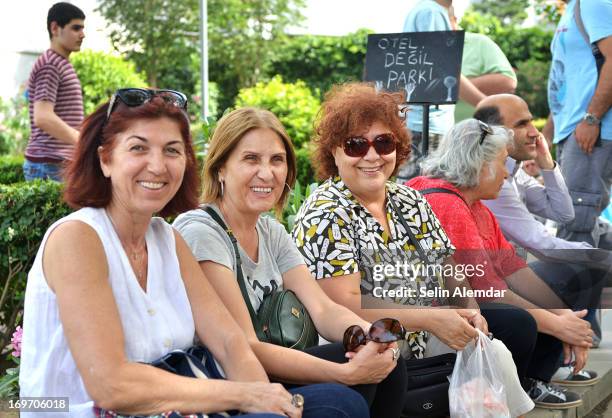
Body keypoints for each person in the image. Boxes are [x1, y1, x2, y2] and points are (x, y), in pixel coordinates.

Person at [19, 89, 365, 418]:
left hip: (184, 400)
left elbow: (230, 343)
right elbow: (111, 386)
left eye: (172, 151)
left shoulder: (167, 238)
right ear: (105, 160)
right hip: (95, 409)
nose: (158, 165)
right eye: (139, 149)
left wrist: (267, 400)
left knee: (342, 403)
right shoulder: (79, 237)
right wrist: (251, 396)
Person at [291, 83, 533, 417]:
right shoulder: (325, 213)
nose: (372, 156)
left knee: (507, 332)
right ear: (333, 151)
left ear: (398, 147)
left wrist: (469, 310)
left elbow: (449, 270)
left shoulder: (409, 199)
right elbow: (344, 302)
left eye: (383, 142)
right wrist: (434, 319)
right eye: (356, 145)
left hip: (422, 335)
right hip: (367, 341)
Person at [173, 107, 402, 418]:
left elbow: (323, 309)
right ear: (221, 168)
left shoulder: (269, 230)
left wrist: (372, 338)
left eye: (276, 160)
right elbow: (244, 345)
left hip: (271, 365)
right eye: (251, 159)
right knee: (343, 400)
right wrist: (346, 374)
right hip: (227, 379)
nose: (267, 173)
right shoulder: (202, 232)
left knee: (388, 366)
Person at [408, 118, 593, 408]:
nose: (507, 175)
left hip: (465, 307)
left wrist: (565, 318)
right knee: (518, 320)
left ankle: (534, 379)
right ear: (479, 164)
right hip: (427, 323)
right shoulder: (446, 203)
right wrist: (558, 326)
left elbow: (513, 270)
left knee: (557, 291)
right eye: (503, 162)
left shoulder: (476, 205)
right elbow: (487, 289)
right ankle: (520, 384)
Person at [475, 94, 611, 354]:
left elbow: (563, 214)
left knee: (592, 258)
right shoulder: (496, 180)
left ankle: (573, 342)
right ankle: (558, 355)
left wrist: (547, 164)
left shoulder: (511, 169)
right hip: (492, 286)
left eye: (532, 123)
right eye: (522, 124)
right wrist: (603, 259)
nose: (534, 133)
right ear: (495, 133)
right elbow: (543, 246)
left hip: (509, 273)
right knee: (584, 267)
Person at [546, 0, 612, 248]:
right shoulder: (575, 8)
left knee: (576, 219)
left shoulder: (594, 3)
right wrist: (547, 132)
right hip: (575, 128)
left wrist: (592, 118)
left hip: (592, 129)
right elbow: (567, 79)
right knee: (582, 218)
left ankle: (572, 287)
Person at [397, 0, 487, 182]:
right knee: (427, 193)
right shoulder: (432, 13)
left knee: (414, 190)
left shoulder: (424, 9)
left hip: (421, 122)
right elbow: (444, 69)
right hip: (428, 124)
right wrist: (486, 103)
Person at [23, 2, 85, 182]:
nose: (83, 34)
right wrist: (82, 140)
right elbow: (43, 117)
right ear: (55, 28)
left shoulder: (60, 63)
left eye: (82, 28)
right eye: (76, 28)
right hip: (48, 164)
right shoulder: (50, 64)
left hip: (55, 163)